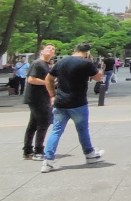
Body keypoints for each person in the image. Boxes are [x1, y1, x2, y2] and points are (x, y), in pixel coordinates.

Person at [41, 42, 105, 173]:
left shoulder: (61, 62)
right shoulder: (86, 63)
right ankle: (89, 154)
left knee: (56, 131)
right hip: (78, 102)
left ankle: (48, 161)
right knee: (82, 130)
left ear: (74, 50)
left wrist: (52, 95)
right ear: (87, 52)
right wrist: (100, 67)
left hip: (60, 102)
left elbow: (49, 79)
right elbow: (99, 78)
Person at [22, 44, 55, 160]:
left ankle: (27, 150)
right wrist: (47, 83)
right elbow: (31, 79)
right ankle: (38, 151)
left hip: (42, 97)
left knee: (33, 125)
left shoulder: (47, 65)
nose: (51, 50)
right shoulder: (37, 63)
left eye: (53, 49)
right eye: (48, 48)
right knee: (43, 123)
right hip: (36, 98)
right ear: (42, 51)